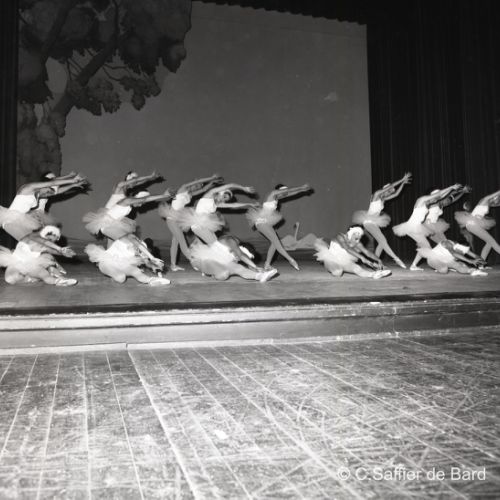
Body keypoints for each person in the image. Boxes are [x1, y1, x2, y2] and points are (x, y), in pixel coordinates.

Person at [159, 174, 224, 271]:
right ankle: (194, 262)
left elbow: (203, 189)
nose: (198, 187)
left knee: (175, 242)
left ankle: (173, 265)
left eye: (199, 186)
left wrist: (212, 183)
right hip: (172, 218)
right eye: (197, 185)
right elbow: (198, 181)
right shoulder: (183, 188)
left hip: (179, 219)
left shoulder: (190, 194)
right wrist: (211, 178)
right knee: (182, 241)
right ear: (193, 183)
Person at [392, 184, 463, 270]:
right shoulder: (421, 200)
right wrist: (451, 187)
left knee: (424, 247)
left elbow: (441, 196)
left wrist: (455, 191)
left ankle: (414, 265)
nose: (436, 200)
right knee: (427, 247)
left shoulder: (428, 203)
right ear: (431, 195)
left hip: (416, 227)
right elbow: (439, 194)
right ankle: (438, 265)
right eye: (435, 197)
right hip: (412, 227)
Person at [0, 172, 86, 240]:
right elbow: (53, 182)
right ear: (44, 185)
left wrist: (73, 185)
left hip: (19, 222)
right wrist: (72, 180)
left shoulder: (38, 194)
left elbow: (57, 191)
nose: (49, 194)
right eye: (49, 190)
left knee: (36, 245)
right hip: (10, 221)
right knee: (31, 245)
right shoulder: (28, 188)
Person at [247, 184, 312, 271]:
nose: (285, 192)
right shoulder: (272, 193)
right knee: (276, 242)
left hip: (265, 222)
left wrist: (302, 190)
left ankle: (267, 265)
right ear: (278, 190)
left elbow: (290, 193)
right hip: (261, 222)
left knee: (274, 243)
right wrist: (301, 187)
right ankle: (291, 260)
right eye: (283, 190)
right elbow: (288, 191)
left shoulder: (277, 197)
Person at [353, 173, 411, 268]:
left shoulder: (383, 199)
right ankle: (396, 258)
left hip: (374, 222)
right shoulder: (376, 195)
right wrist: (402, 179)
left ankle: (376, 262)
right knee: (383, 240)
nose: (389, 193)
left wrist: (403, 184)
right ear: (385, 190)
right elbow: (391, 187)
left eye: (390, 193)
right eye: (388, 192)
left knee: (382, 242)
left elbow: (396, 194)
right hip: (368, 222)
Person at [0, 225, 77, 286]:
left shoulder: (41, 244)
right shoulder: (31, 237)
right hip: (16, 268)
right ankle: (53, 277)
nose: (51, 242)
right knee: (11, 279)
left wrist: (64, 253)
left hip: (28, 266)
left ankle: (59, 281)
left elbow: (51, 250)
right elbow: (45, 243)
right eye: (51, 239)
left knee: (45, 274)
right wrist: (59, 249)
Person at [189, 183, 258, 245]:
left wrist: (249, 204)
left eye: (226, 200)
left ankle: (196, 246)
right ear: (221, 193)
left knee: (215, 242)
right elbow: (231, 185)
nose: (223, 200)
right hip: (198, 224)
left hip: (204, 225)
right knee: (215, 244)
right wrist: (243, 188)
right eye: (224, 197)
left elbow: (234, 205)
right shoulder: (209, 194)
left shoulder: (217, 204)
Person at [314, 225, 391, 279]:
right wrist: (362, 258)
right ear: (350, 234)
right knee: (338, 273)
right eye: (356, 238)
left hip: (344, 261)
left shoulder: (357, 243)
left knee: (357, 269)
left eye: (359, 238)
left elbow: (367, 252)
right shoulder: (340, 236)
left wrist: (378, 260)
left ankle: (374, 274)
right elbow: (347, 248)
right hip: (331, 259)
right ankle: (334, 269)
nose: (358, 241)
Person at [85, 237, 170, 285]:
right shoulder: (128, 242)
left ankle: (151, 280)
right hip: (109, 263)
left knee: (124, 277)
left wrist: (153, 266)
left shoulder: (141, 250)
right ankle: (150, 280)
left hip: (114, 264)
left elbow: (146, 261)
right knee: (127, 276)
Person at [189, 238, 278, 282]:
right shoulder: (231, 241)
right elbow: (241, 255)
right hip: (202, 259)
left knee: (238, 268)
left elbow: (244, 267)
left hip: (217, 263)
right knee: (224, 274)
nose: (238, 258)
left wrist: (259, 271)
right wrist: (255, 266)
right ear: (240, 248)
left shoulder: (234, 256)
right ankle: (209, 272)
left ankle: (260, 277)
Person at [454, 189, 500, 261]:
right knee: (492, 242)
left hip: (474, 224)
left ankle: (481, 263)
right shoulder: (484, 200)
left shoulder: (488, 204)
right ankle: (480, 263)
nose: (496, 200)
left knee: (489, 243)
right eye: (496, 198)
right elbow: (490, 197)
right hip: (473, 223)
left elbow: (496, 204)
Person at [417, 239, 487, 276]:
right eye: (461, 251)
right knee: (444, 270)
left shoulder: (463, 248)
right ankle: (440, 268)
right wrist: (470, 261)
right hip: (434, 259)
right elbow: (454, 253)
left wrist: (482, 262)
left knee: (461, 266)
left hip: (447, 260)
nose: (462, 253)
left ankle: (473, 271)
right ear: (457, 247)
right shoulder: (447, 243)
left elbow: (475, 256)